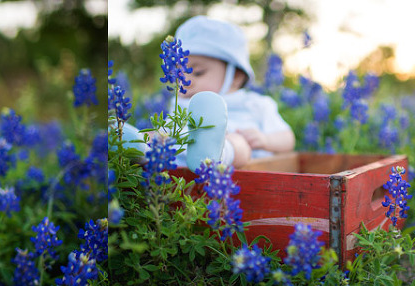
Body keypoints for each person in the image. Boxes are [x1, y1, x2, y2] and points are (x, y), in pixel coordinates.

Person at [121, 16, 295, 170]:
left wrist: (265, 140)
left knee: (239, 143)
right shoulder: (179, 104)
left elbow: (288, 139)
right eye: (179, 73)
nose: (185, 81)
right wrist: (156, 136)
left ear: (235, 76)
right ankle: (133, 146)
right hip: (175, 159)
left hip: (234, 160)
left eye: (197, 72)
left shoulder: (254, 103)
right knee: (158, 136)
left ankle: (216, 153)